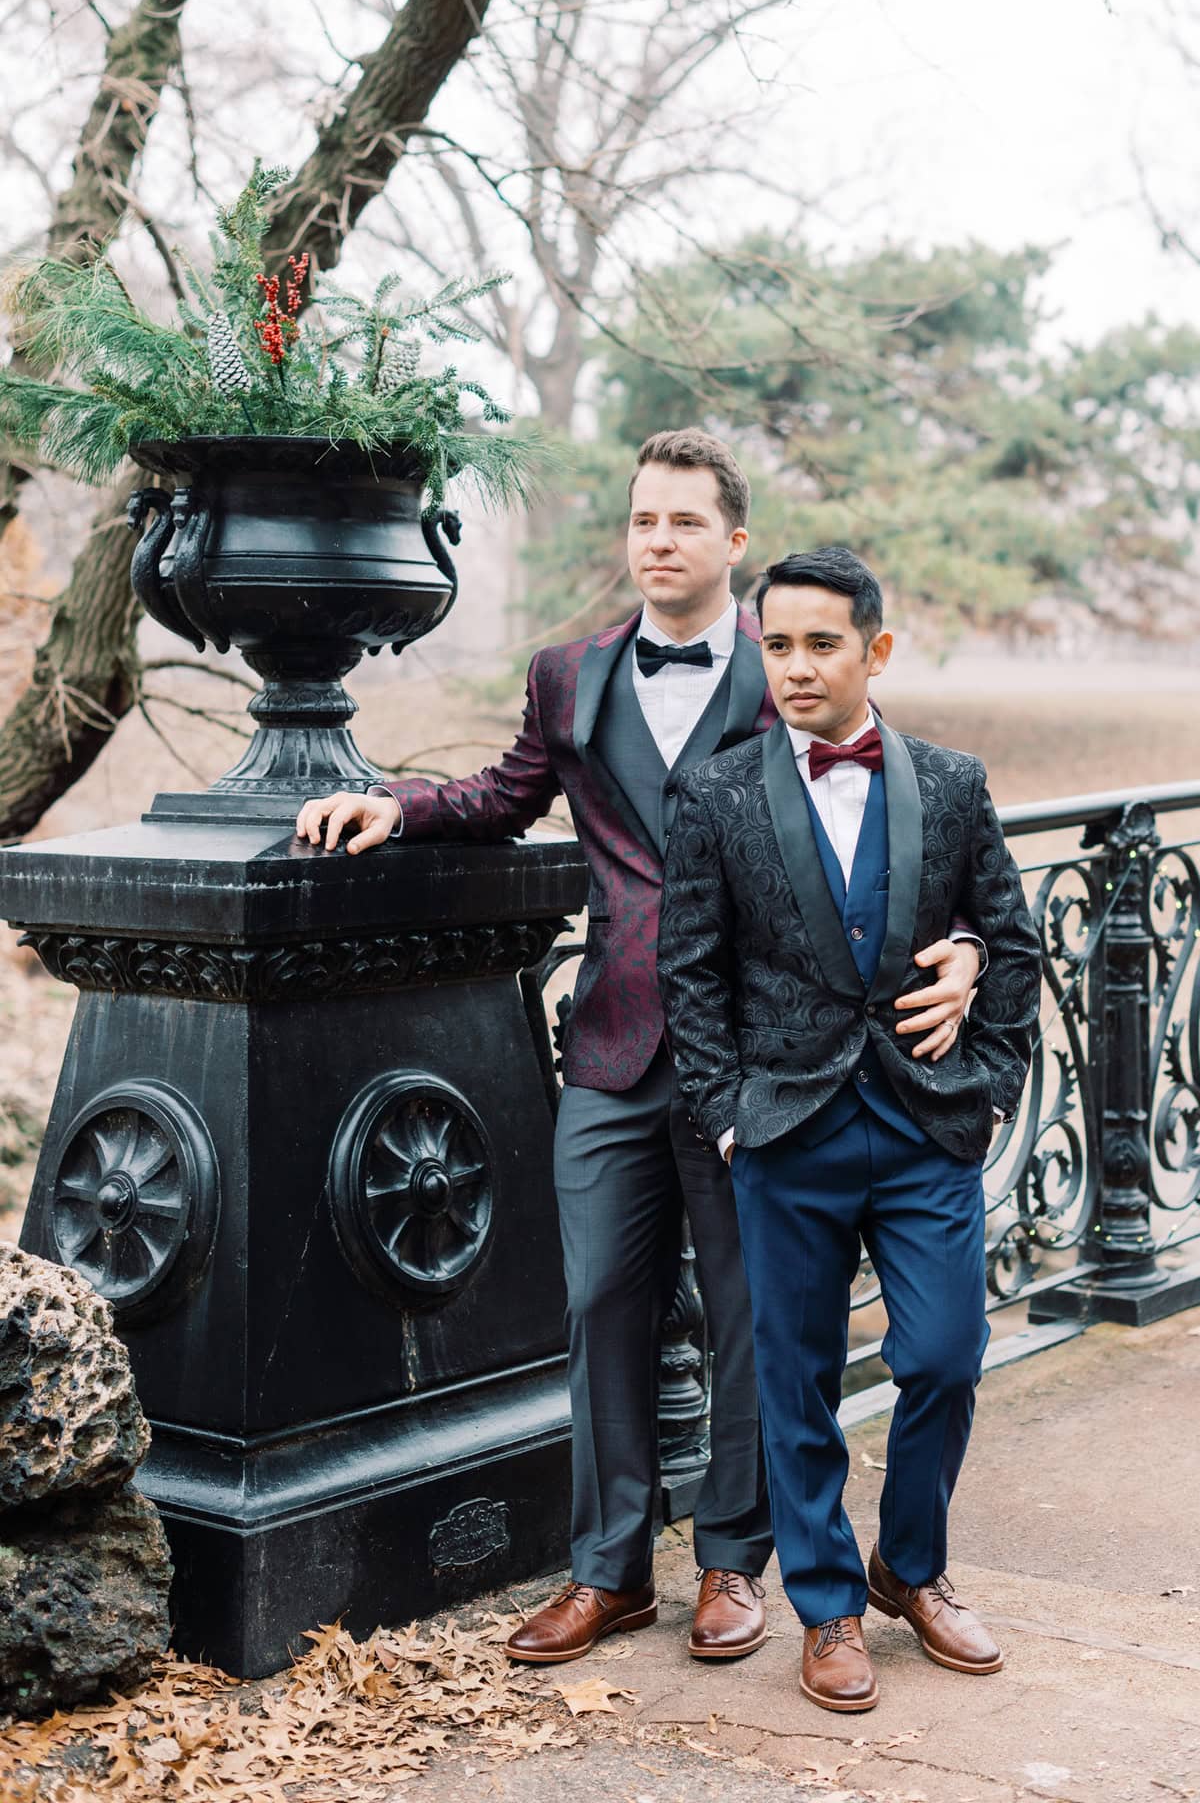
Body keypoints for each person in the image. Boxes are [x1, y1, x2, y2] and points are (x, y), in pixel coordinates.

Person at [296, 437, 984, 1668]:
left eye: (684, 521)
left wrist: (970, 944)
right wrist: (399, 802)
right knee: (600, 1301)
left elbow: (892, 832)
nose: (658, 539)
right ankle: (607, 1571)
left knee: (753, 1319)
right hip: (612, 1043)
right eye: (641, 519)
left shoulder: (794, 664)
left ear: (734, 542)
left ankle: (732, 1561)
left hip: (766, 1062)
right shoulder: (569, 674)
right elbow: (508, 794)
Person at [657, 545, 1041, 1713]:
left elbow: (1010, 945)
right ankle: (827, 1606)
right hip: (784, 1132)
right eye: (776, 643)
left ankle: (908, 1567)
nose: (796, 666)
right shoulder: (717, 793)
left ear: (875, 650)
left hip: (926, 1125)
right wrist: (728, 1119)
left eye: (822, 643)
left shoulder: (954, 782)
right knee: (794, 1378)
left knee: (944, 1354)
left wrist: (988, 1086)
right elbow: (690, 973)